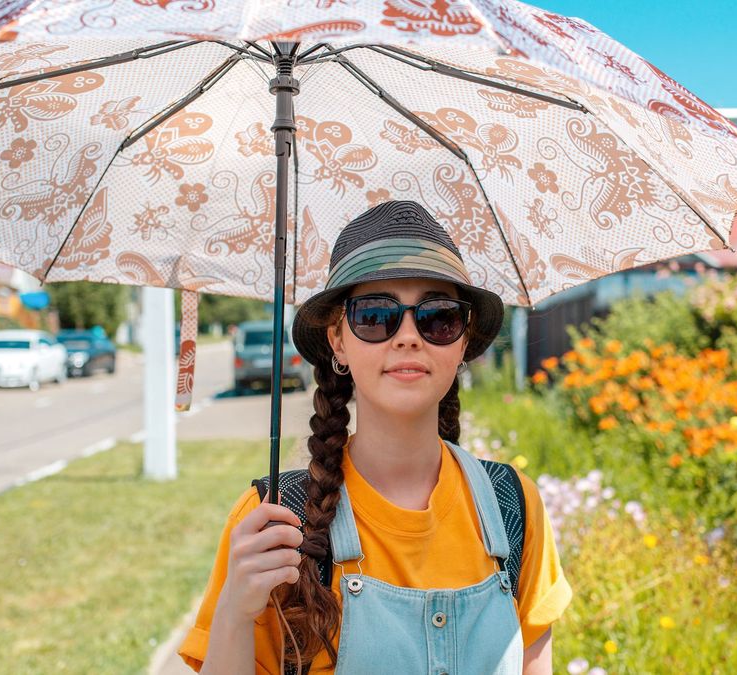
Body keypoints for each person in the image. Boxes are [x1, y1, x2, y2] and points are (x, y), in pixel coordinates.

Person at [178, 200, 572, 674]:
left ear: (463, 342)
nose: (408, 336)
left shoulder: (515, 509)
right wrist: (235, 613)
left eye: (438, 316)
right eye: (375, 314)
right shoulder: (273, 523)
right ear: (338, 340)